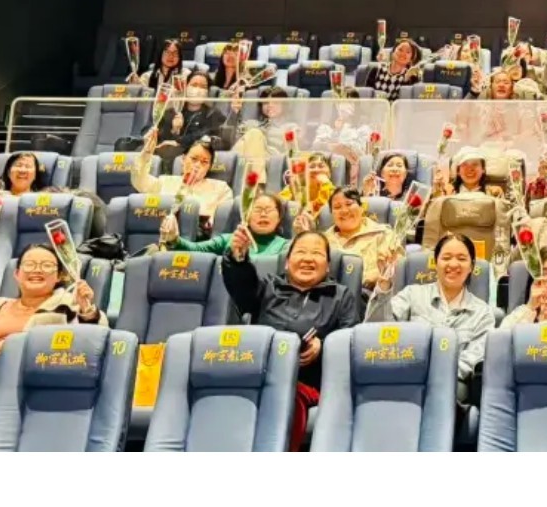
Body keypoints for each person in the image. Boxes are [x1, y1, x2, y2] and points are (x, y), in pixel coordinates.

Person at [221, 228, 362, 450]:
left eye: (317, 253)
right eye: (301, 252)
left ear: (328, 266)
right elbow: (242, 288)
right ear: (287, 262)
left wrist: (324, 347)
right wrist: (238, 259)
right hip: (258, 375)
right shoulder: (268, 288)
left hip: (308, 382)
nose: (308, 258)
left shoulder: (341, 296)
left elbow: (351, 342)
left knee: (283, 395)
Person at [365, 232, 495, 407]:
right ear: (435, 263)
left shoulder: (483, 312)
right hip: (404, 379)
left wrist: (434, 373)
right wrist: (384, 286)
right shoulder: (412, 294)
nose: (453, 264)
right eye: (446, 258)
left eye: (461, 259)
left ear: (471, 266)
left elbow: (473, 359)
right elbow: (376, 332)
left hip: (450, 389)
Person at [0, 243, 103, 366]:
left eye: (46, 265)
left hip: (32, 370)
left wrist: (86, 307)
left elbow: (94, 343)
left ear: (59, 276)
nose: (37, 270)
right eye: (29, 264)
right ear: (17, 274)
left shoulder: (69, 305)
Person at [132, 131, 234, 226]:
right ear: (183, 159)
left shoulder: (221, 189)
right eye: (194, 159)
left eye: (204, 162)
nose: (197, 165)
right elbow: (139, 181)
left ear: (209, 167)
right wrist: (146, 152)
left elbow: (223, 221)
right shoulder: (165, 182)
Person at [163, 191, 289, 259]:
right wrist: (174, 239)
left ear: (279, 217)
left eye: (269, 210)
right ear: (246, 216)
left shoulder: (287, 246)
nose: (263, 214)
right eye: (257, 209)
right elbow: (195, 250)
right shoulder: (229, 240)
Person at [321, 185, 390, 283]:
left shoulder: (384, 234)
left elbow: (393, 271)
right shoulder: (322, 240)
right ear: (332, 214)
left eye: (349, 204)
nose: (344, 211)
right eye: (337, 207)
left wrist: (358, 281)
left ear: (361, 208)